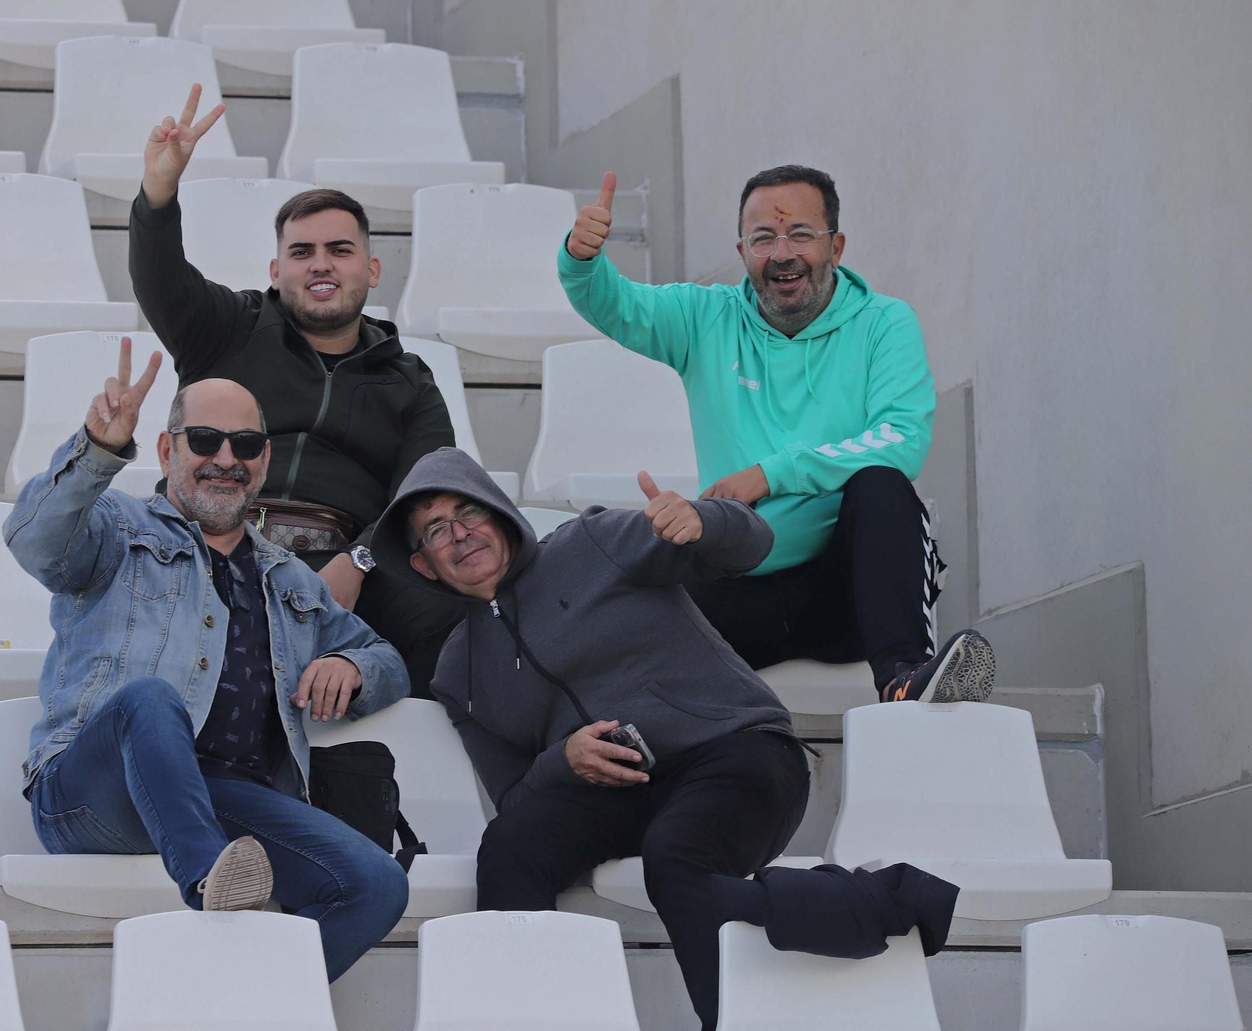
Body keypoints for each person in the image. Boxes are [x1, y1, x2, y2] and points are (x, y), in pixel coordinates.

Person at [4, 337, 410, 981]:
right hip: (91, 792)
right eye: (204, 440)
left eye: (246, 445)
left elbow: (386, 657)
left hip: (224, 798)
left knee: (377, 885)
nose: (226, 459)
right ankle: (206, 879)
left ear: (265, 460)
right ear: (167, 451)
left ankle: (240, 1009)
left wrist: (356, 669)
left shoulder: (290, 581)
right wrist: (98, 450)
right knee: (148, 700)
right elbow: (34, 542)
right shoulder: (118, 528)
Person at [369, 445, 812, 1030]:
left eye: (470, 512)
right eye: (435, 529)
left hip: (737, 750)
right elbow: (516, 797)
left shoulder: (593, 542)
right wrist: (564, 759)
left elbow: (750, 544)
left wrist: (706, 521)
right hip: (620, 791)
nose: (460, 534)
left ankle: (738, 1020)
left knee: (677, 855)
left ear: (501, 515)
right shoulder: (457, 673)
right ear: (423, 563)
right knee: (509, 847)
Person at [558, 165, 994, 703]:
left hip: (846, 596)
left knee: (882, 487)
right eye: (763, 238)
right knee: (641, 564)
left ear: (836, 246)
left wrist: (770, 474)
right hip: (732, 589)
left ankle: (905, 678)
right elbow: (614, 304)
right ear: (742, 252)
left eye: (801, 235)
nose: (782, 253)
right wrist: (582, 260)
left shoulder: (884, 323)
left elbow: (902, 439)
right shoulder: (706, 318)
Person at [127, 85, 463, 698]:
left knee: (466, 621)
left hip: (344, 564)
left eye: (340, 250)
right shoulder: (230, 327)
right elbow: (160, 279)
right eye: (301, 252)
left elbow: (425, 488)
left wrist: (357, 563)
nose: (321, 265)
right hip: (215, 536)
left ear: (372, 268)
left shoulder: (408, 378)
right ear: (276, 271)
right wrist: (159, 193)